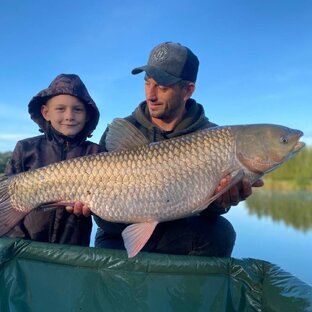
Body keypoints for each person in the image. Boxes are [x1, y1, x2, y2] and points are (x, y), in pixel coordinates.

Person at [93, 42, 263, 257]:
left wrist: (221, 202)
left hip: (178, 233)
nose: (151, 95)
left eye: (162, 87)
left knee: (221, 232)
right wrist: (90, 206)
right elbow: (103, 220)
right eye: (147, 83)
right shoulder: (122, 131)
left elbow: (210, 213)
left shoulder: (211, 137)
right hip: (116, 232)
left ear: (187, 90)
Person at [5, 73, 101, 246]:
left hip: (74, 249)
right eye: (60, 109)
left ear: (88, 115)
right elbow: (7, 200)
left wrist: (92, 208)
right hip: (26, 244)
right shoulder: (25, 148)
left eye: (77, 109)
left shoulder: (95, 152)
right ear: (46, 112)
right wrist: (17, 243)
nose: (69, 115)